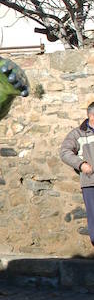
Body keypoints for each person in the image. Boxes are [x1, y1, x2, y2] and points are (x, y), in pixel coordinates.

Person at [60, 102, 94, 246]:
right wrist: (81, 165)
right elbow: (65, 152)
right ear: (92, 116)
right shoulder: (78, 134)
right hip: (90, 183)